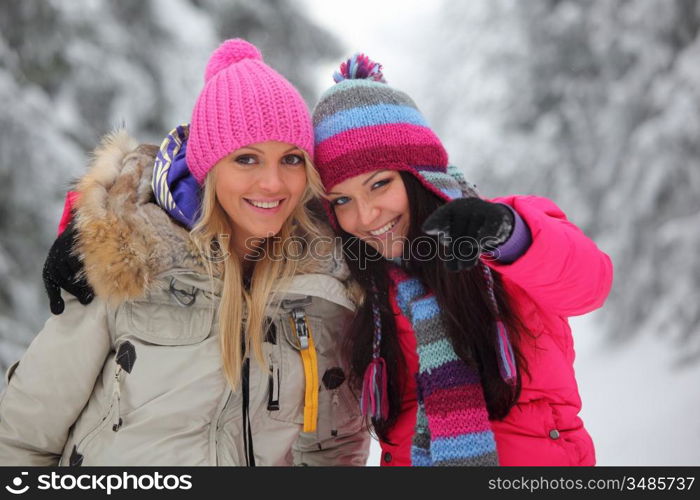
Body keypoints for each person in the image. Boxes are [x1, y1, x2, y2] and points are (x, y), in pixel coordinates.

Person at [0, 39, 369, 466]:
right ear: (209, 169)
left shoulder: (325, 287)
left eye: (290, 159)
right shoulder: (131, 262)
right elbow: (23, 436)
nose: (273, 183)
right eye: (247, 159)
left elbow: (333, 450)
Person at [310, 54, 613, 466]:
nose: (364, 217)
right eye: (342, 200)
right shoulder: (363, 287)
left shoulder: (501, 239)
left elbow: (589, 286)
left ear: (419, 175)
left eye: (379, 184)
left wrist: (509, 237)